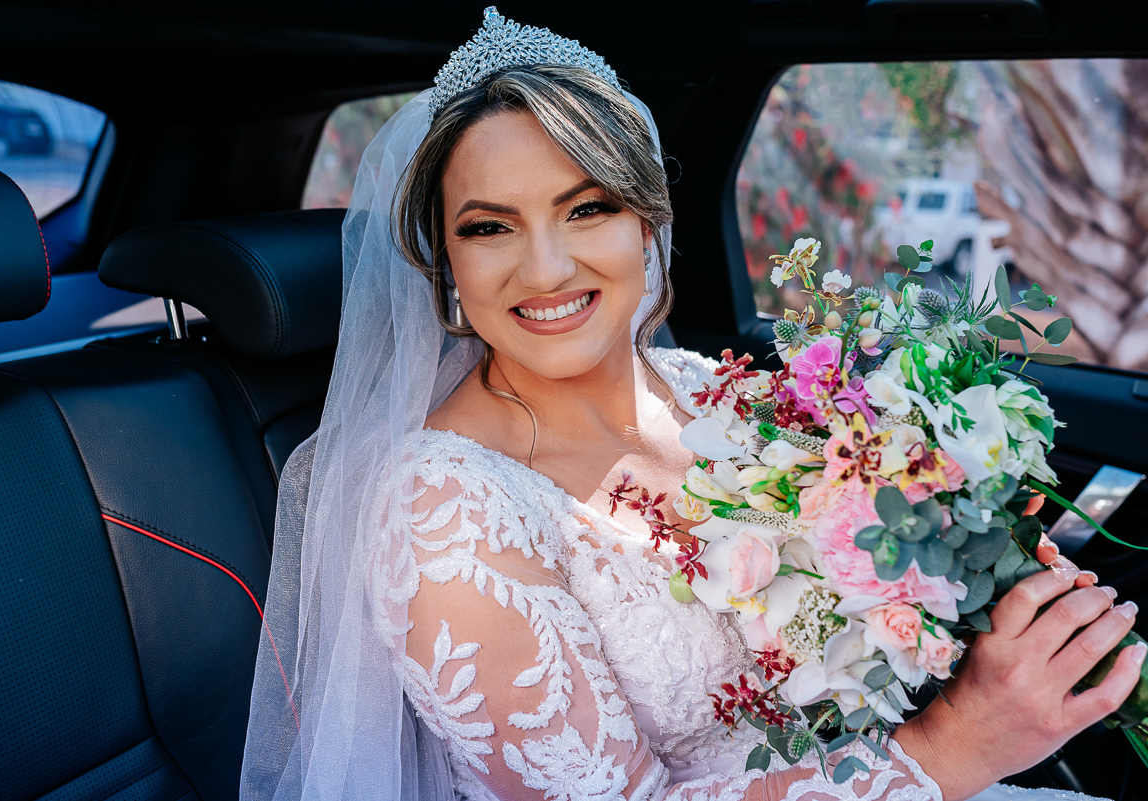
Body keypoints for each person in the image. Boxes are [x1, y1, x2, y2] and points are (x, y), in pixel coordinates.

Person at [240, 8, 1145, 801]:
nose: (546, 268)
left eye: (586, 208)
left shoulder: (713, 390)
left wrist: (965, 575)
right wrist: (955, 746)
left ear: (647, 221)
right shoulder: (441, 511)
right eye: (488, 227)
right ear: (443, 259)